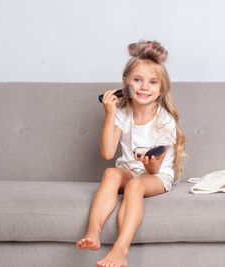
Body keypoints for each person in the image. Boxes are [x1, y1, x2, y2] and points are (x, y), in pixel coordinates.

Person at [76, 40, 186, 267]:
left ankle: (120, 250)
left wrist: (148, 163)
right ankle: (93, 233)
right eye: (137, 80)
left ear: (161, 89)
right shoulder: (122, 115)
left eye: (153, 82)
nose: (145, 87)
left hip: (156, 176)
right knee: (110, 174)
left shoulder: (163, 120)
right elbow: (107, 153)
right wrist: (110, 113)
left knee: (136, 186)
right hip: (129, 170)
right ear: (125, 84)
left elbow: (155, 169)